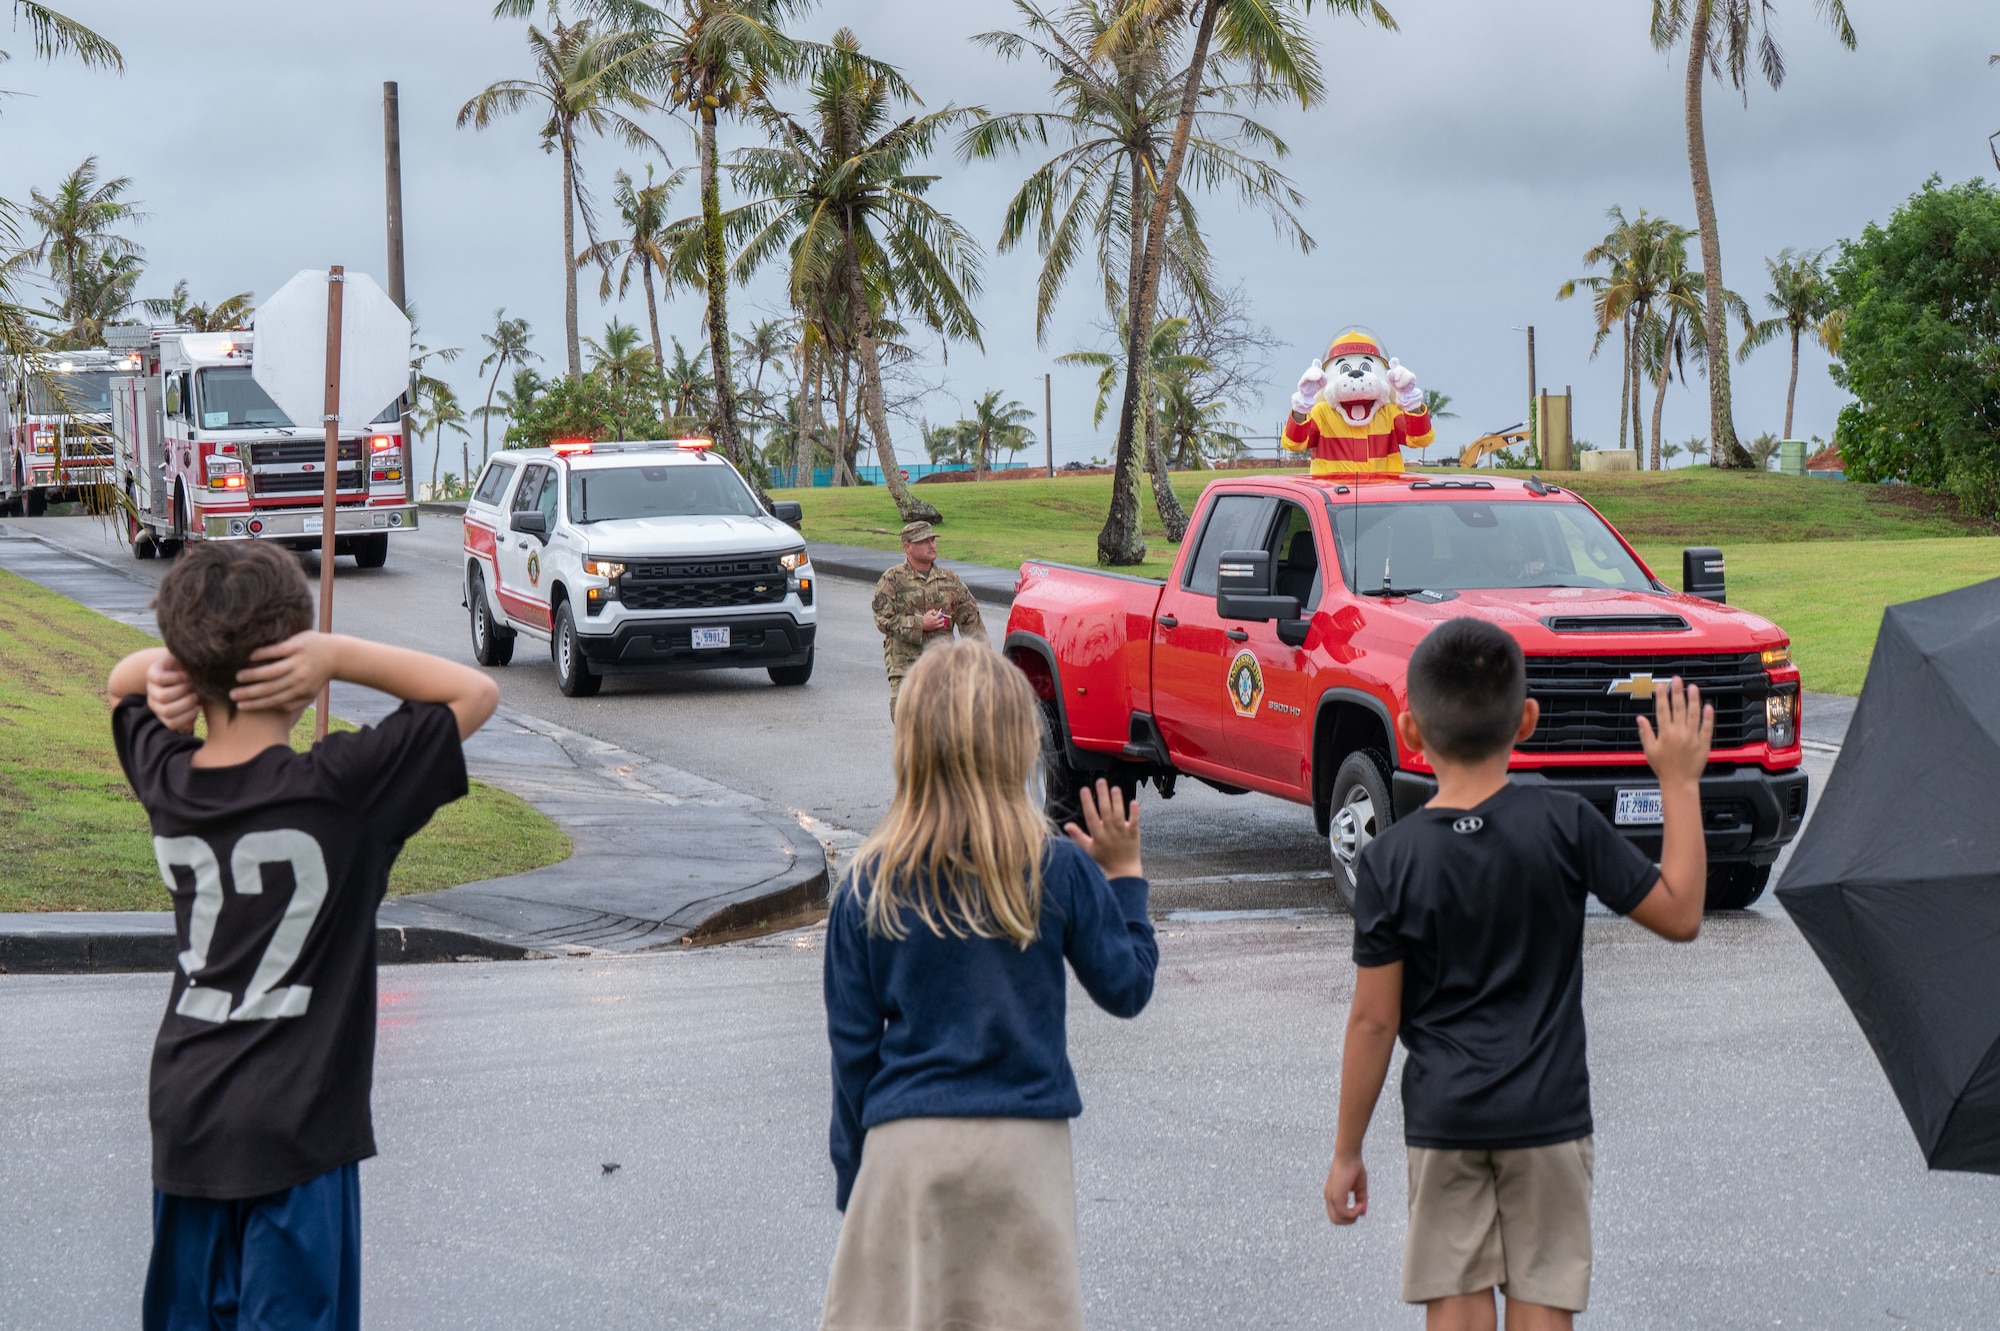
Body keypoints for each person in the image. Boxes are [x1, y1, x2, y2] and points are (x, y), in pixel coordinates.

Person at [106, 541, 499, 1331]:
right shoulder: (344, 792)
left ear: (187, 663)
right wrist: (337, 655)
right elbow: (474, 692)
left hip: (186, 1120)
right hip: (297, 1135)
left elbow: (121, 684)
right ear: (294, 654)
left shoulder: (167, 778)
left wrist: (173, 663)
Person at [1322, 617, 1712, 1330]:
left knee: (1456, 1301)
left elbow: (1375, 1019)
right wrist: (1679, 782)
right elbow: (1681, 911)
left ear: (1409, 729)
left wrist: (1347, 1149)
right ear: (1527, 719)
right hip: (1549, 1116)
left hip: (1445, 1118)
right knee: (1543, 1302)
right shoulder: (1564, 823)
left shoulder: (1389, 859)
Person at [820, 640, 1157, 1331]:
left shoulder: (867, 884)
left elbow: (852, 1055)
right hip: (1021, 1151)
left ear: (910, 744)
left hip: (906, 1151)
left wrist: (855, 1177)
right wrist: (1123, 879)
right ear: (1018, 745)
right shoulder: (1057, 869)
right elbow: (1127, 987)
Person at [870, 520, 985, 719]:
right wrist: (920, 624)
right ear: (908, 547)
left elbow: (971, 622)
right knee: (909, 729)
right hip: (905, 668)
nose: (932, 545)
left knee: (945, 733)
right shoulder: (892, 579)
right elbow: (882, 618)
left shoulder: (950, 580)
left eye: (932, 540)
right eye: (924, 541)